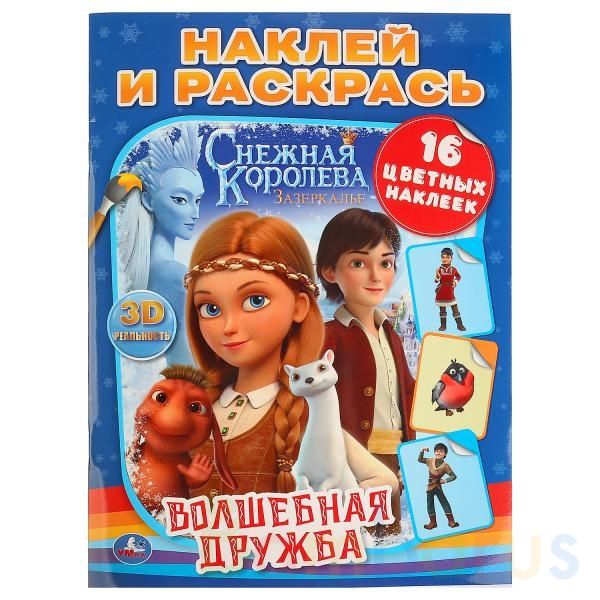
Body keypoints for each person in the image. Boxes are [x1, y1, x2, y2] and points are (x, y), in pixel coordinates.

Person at [183, 211, 398, 499]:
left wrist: (340, 508)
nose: (229, 326)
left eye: (255, 300)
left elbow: (384, 481)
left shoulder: (306, 413)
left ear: (299, 306)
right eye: (210, 308)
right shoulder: (193, 408)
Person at [316, 208, 415, 536]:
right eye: (359, 263)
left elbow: (408, 392)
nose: (376, 276)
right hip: (353, 455)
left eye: (385, 263)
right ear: (330, 271)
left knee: (390, 531)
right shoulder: (328, 336)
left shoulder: (392, 335)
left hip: (394, 452)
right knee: (356, 534)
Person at [119, 122, 205, 364]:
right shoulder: (177, 277)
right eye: (180, 200)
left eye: (198, 200)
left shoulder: (136, 273)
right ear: (148, 201)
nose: (195, 213)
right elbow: (192, 365)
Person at [417, 443, 459, 529]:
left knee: (444, 503)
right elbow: (420, 459)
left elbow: (453, 476)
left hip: (438, 487)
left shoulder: (446, 466)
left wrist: (445, 480)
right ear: (434, 452)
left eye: (441, 451)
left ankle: (451, 521)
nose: (438, 453)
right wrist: (422, 450)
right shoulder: (430, 461)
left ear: (445, 454)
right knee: (430, 504)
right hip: (430, 487)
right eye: (436, 451)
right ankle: (433, 523)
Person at [435, 247, 466, 332]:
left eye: (447, 257)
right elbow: (436, 281)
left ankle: (459, 325)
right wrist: (437, 276)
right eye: (443, 257)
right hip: (441, 292)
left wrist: (455, 282)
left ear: (451, 258)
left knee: (455, 308)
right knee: (442, 310)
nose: (445, 259)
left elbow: (458, 276)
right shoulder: (439, 269)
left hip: (450, 291)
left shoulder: (453, 269)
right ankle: (443, 326)